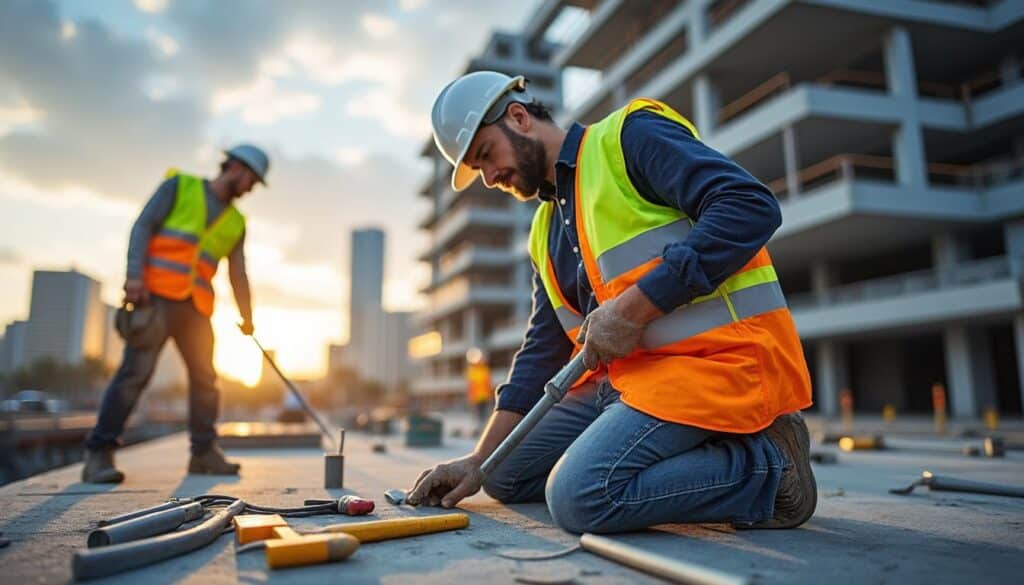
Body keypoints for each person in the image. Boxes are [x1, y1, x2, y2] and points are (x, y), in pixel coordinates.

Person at [406, 72, 816, 534]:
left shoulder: (628, 138)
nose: (489, 177)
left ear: (518, 118)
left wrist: (635, 308)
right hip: (627, 383)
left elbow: (749, 205)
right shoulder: (543, 231)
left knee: (579, 496)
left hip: (715, 366)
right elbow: (542, 349)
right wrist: (479, 459)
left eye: (486, 155)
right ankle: (685, 459)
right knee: (503, 472)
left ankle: (769, 469)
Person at [82, 145, 269, 483]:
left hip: (196, 306)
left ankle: (203, 453)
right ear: (236, 168)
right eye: (251, 181)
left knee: (205, 380)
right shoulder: (179, 187)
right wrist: (134, 276)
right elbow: (143, 227)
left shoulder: (236, 222)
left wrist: (247, 315)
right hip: (154, 297)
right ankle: (99, 454)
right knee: (134, 374)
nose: (250, 189)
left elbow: (238, 273)